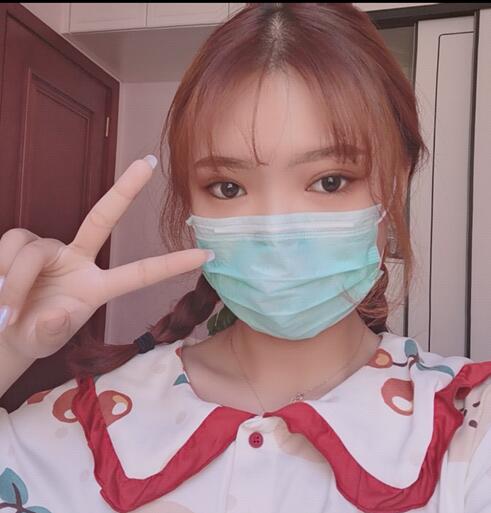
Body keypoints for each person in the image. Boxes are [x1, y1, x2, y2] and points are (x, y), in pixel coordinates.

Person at [0, 3, 490, 512]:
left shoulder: (469, 424)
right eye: (228, 187)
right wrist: (5, 348)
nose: (276, 231)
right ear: (191, 205)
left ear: (396, 184)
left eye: (330, 181)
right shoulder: (87, 425)